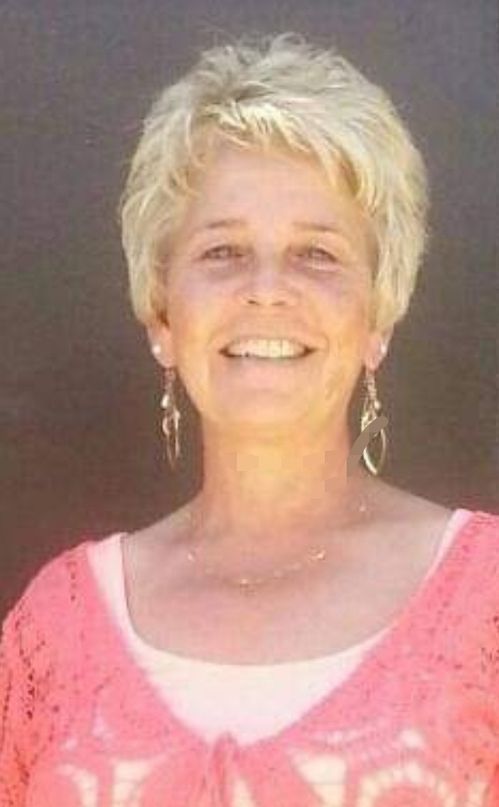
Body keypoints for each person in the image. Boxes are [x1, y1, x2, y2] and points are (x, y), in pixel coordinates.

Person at [1, 31, 498, 807]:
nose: (266, 289)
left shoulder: (484, 603)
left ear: (378, 319)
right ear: (162, 316)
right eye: (222, 251)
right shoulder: (52, 632)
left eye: (317, 254)